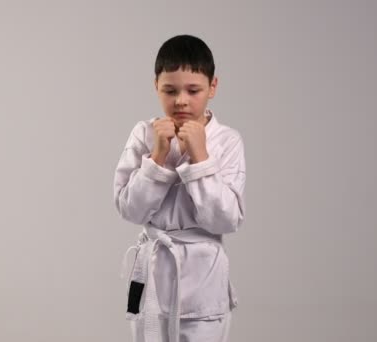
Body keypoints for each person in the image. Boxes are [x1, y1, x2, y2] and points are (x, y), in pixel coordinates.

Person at [113, 34, 246, 342]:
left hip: (205, 283)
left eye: (193, 90)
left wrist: (200, 159)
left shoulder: (227, 141)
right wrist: (157, 155)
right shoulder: (144, 134)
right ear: (155, 85)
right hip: (152, 278)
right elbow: (129, 209)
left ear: (213, 87)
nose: (181, 100)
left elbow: (226, 220)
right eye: (170, 90)